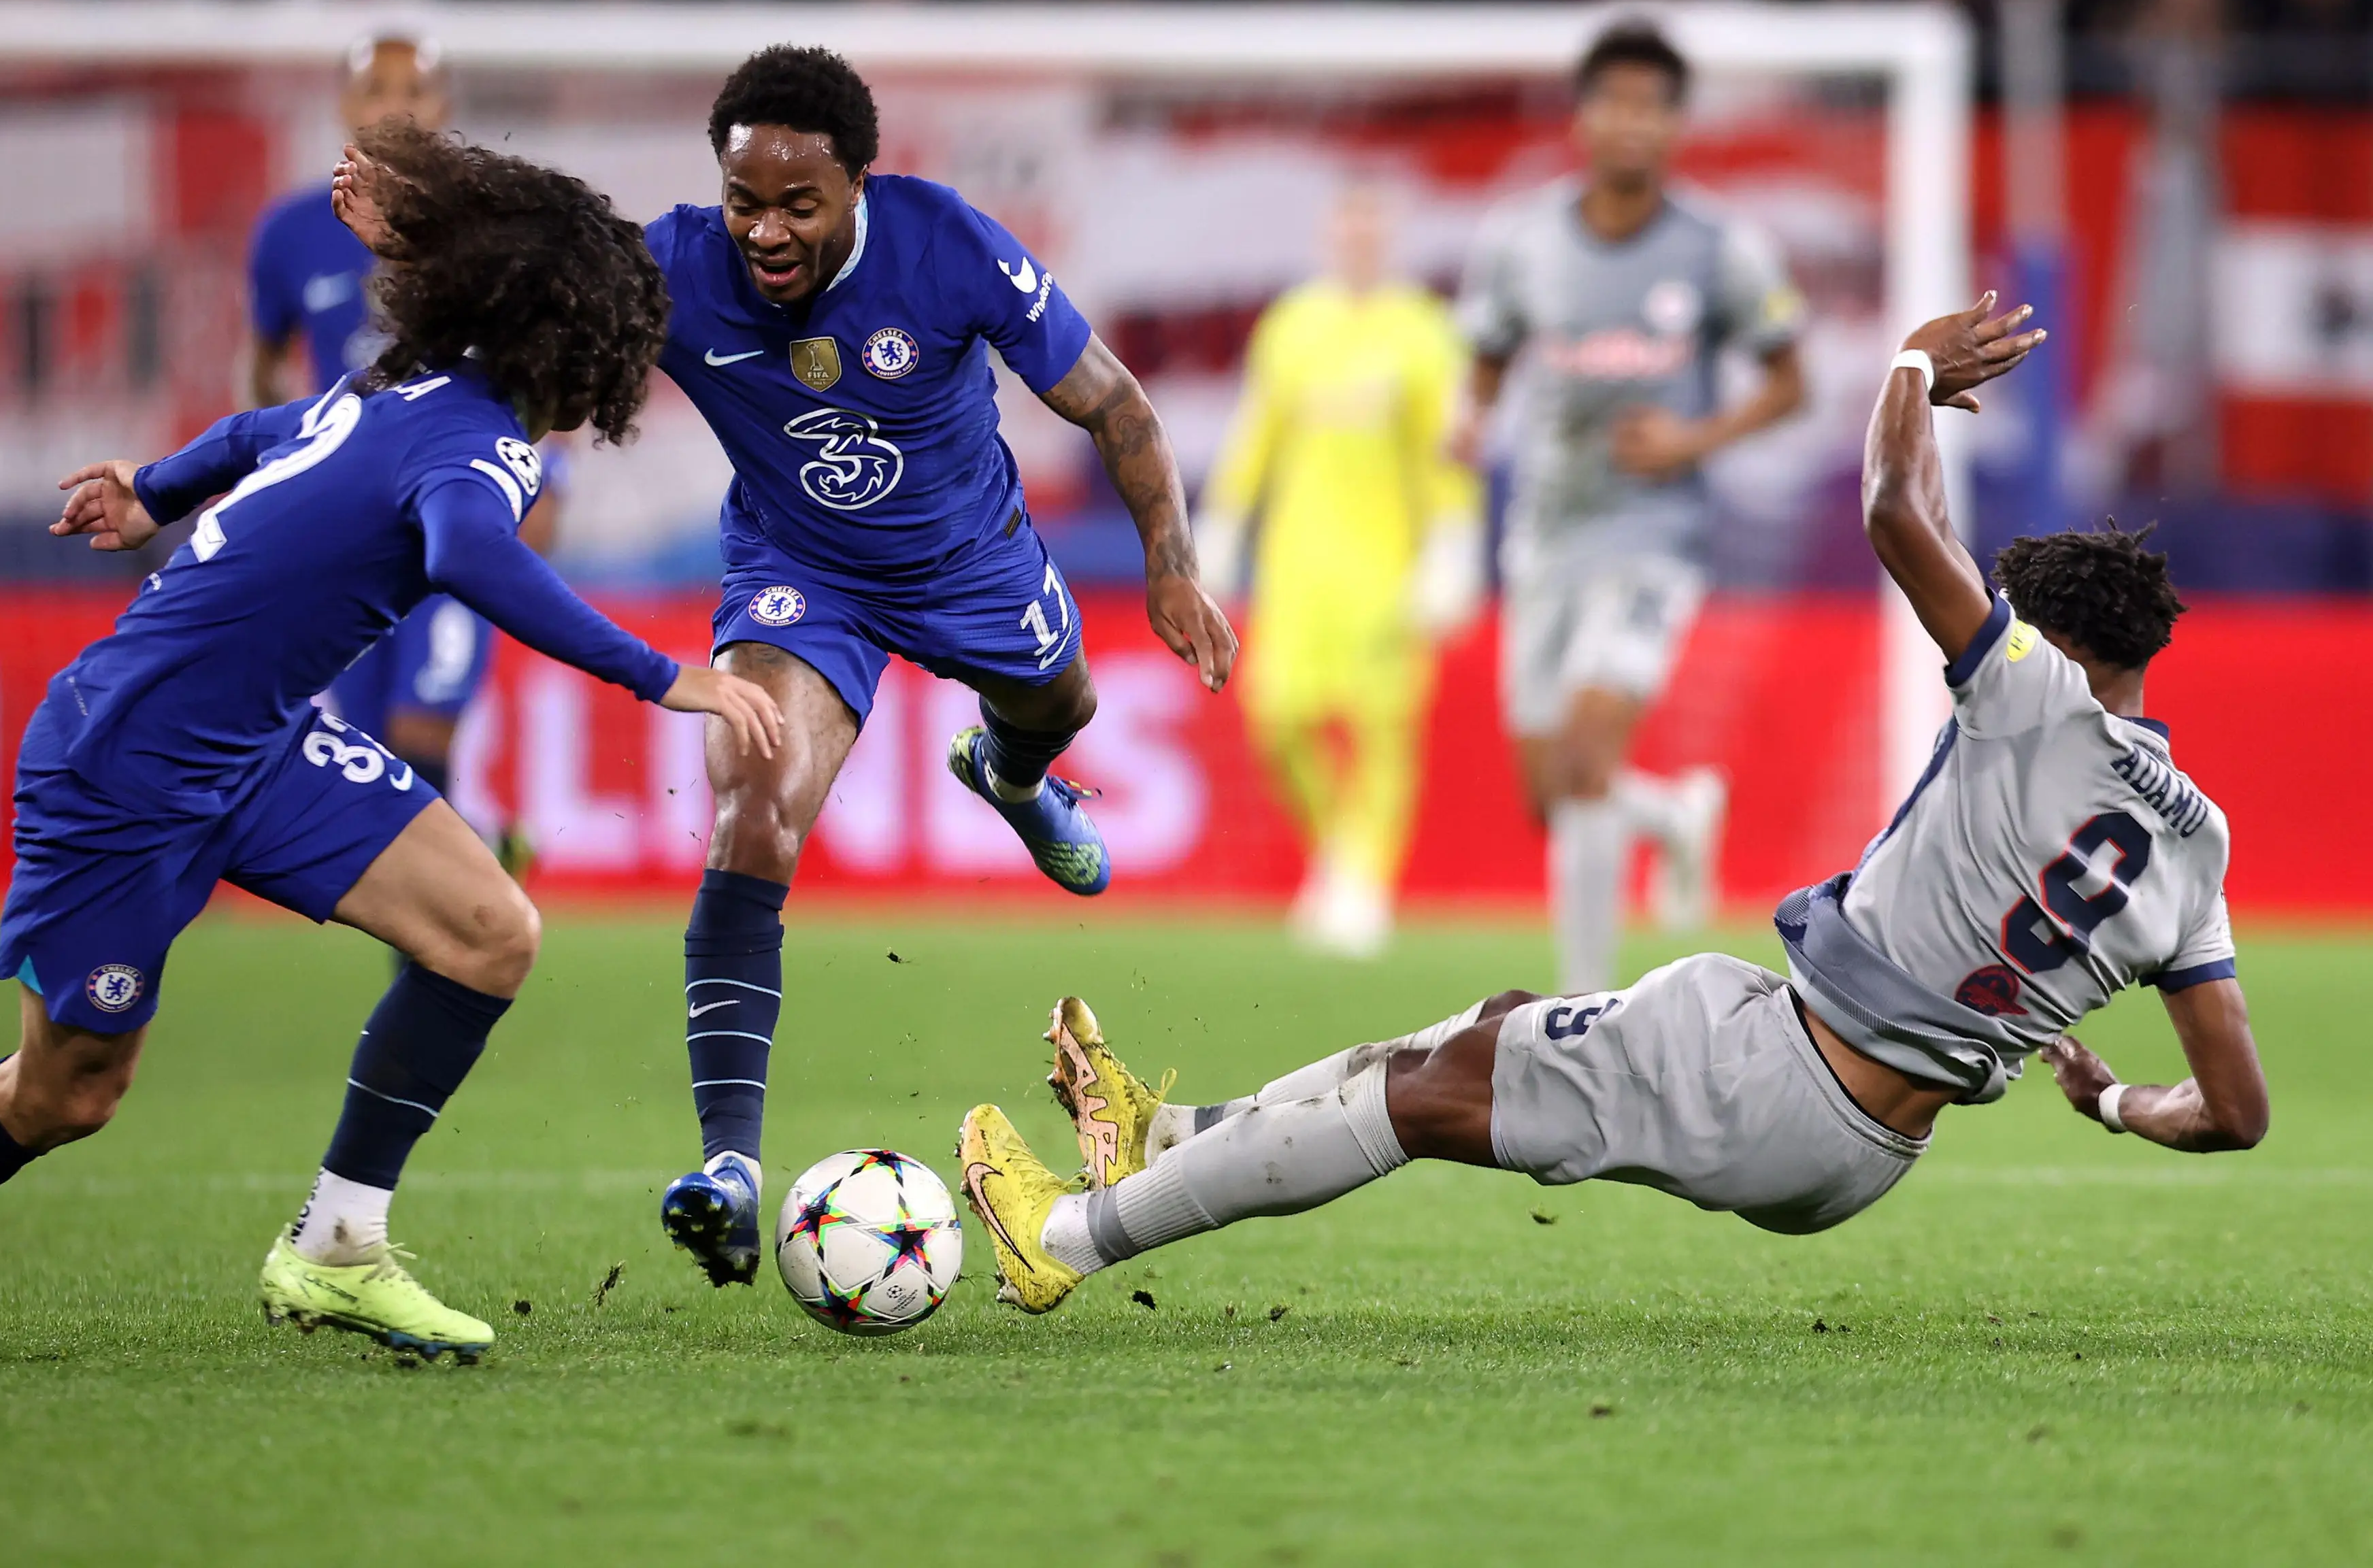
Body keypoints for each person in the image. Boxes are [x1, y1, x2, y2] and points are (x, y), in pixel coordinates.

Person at [961, 296, 2271, 1315]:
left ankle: (1069, 1235)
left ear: (2048, 640)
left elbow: (1894, 508)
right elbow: (2237, 1112)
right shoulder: (2197, 844)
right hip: (1863, 1143)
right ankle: (1164, 1136)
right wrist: (2108, 1102)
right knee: (1490, 1032)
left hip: (1781, 1073)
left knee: (1419, 1097)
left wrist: (1913, 367)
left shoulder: (2033, 694)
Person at [0, 124, 782, 1367]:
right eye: (624, 343)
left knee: (490, 930)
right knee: (67, 1092)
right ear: (579, 340)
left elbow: (261, 432)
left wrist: (156, 487)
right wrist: (667, 675)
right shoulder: (475, 440)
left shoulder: (397, 388)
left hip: (261, 748)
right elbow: (471, 553)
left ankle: (337, 1245)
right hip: (121, 767)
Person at [641, 45, 1236, 1286]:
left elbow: (1116, 405)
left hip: (971, 556)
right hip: (802, 575)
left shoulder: (947, 244)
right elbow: (521, 311)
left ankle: (1012, 778)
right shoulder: (673, 266)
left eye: (799, 203)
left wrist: (1171, 563)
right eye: (746, 200)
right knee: (754, 807)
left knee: (1058, 701)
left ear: (860, 182)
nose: (766, 230)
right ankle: (732, 1169)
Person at [1454, 20, 1808, 995]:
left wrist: (1692, 442)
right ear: (1583, 117)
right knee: (1550, 793)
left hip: (1656, 537)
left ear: (1675, 124)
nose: (1630, 124)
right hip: (1546, 532)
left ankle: (1581, 1007)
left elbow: (1792, 382)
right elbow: (1485, 358)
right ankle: (1675, 813)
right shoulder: (1524, 241)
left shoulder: (1717, 248)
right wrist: (1468, 420)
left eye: (1651, 107)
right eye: (1614, 103)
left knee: (1582, 757)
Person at [246, 32, 550, 850]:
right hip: (347, 525)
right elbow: (267, 371)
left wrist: (547, 478)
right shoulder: (289, 235)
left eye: (413, 88)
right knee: (378, 754)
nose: (395, 104)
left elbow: (550, 366)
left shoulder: (494, 229)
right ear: (346, 109)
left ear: (444, 108)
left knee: (424, 737)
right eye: (376, 89)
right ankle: (485, 855)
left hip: (456, 513)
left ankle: (448, 955)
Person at [1195, 182, 1478, 957]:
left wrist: (1452, 544)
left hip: (1386, 564)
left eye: (1370, 226)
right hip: (1298, 563)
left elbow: (1446, 449)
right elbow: (1258, 432)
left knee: (1384, 729)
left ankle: (1364, 881)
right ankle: (1339, 853)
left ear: (1386, 238)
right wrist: (1222, 522)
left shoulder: (1421, 331)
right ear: (1330, 235)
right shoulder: (1293, 326)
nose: (1357, 239)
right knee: (1276, 719)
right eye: (1346, 226)